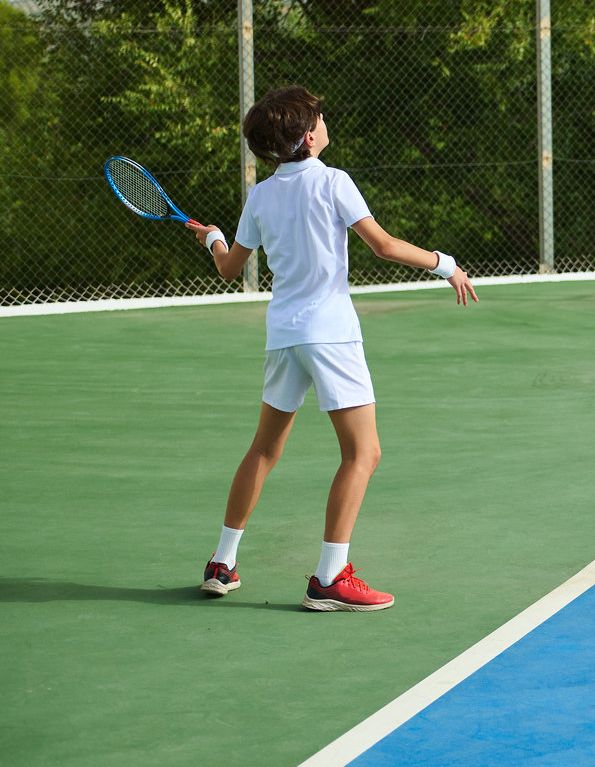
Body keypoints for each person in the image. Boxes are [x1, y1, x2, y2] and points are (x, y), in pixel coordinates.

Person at [188, 85, 477, 611]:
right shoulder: (334, 182)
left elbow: (230, 267)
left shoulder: (260, 196)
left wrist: (212, 238)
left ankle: (222, 563)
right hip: (332, 336)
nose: (322, 120)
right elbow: (384, 246)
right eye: (316, 116)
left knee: (264, 448)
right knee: (363, 453)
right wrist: (445, 263)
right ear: (305, 135)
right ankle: (329, 578)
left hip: (284, 339)